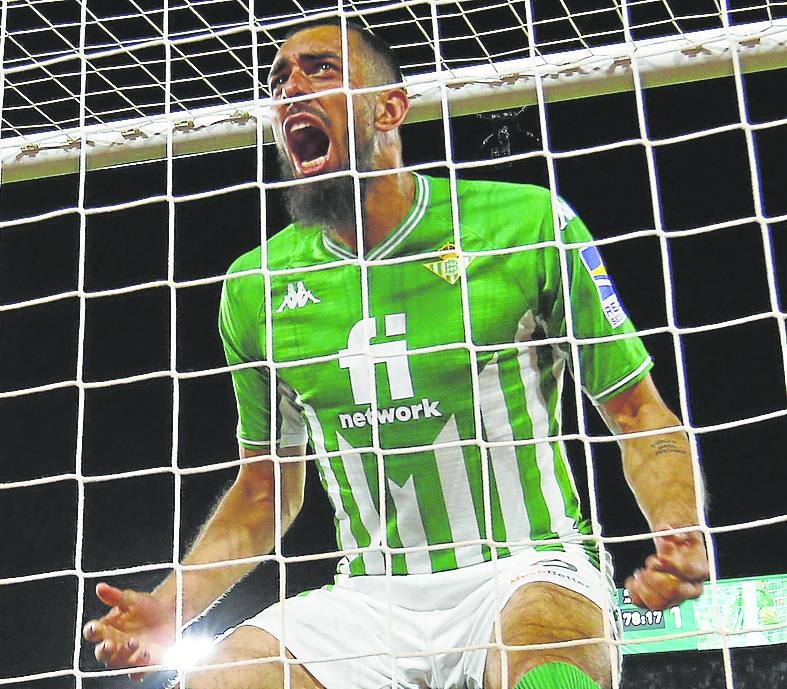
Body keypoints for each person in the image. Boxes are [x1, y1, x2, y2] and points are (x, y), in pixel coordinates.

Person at [83, 19, 710, 689]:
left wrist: (678, 526)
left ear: (389, 108)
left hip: (527, 567)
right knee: (218, 681)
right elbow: (264, 490)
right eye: (278, 79)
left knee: (546, 662)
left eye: (320, 69)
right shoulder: (255, 286)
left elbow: (638, 410)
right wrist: (168, 607)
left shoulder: (525, 223)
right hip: (372, 594)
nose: (290, 87)